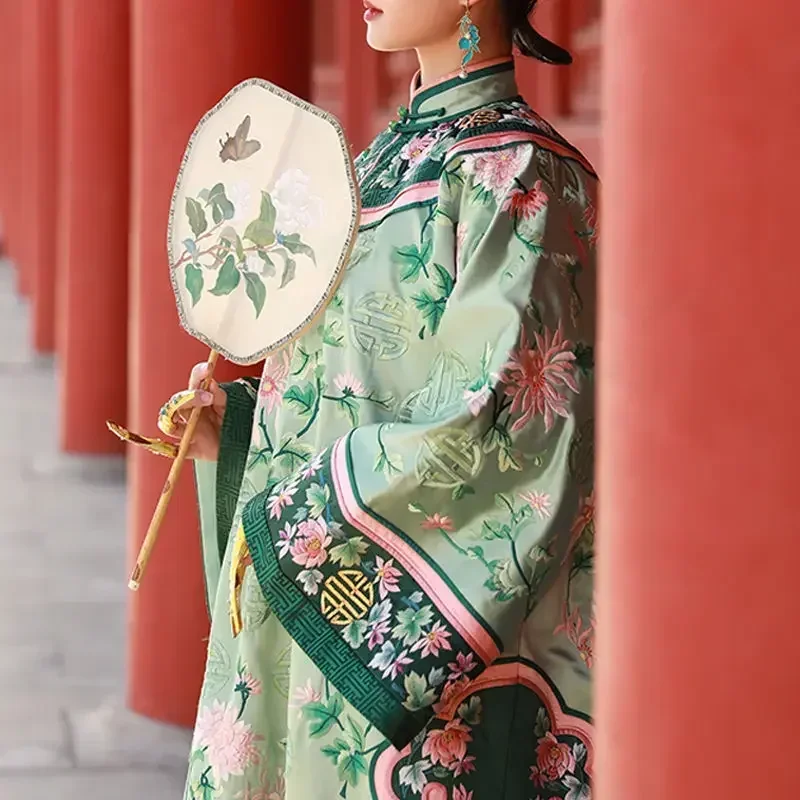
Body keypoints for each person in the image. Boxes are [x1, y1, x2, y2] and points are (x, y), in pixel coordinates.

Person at [164, 1, 597, 797]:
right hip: (326, 575)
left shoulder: (525, 181)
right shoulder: (375, 163)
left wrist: (305, 520)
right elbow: (351, 378)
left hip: (428, 641)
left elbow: (501, 421)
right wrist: (242, 432)